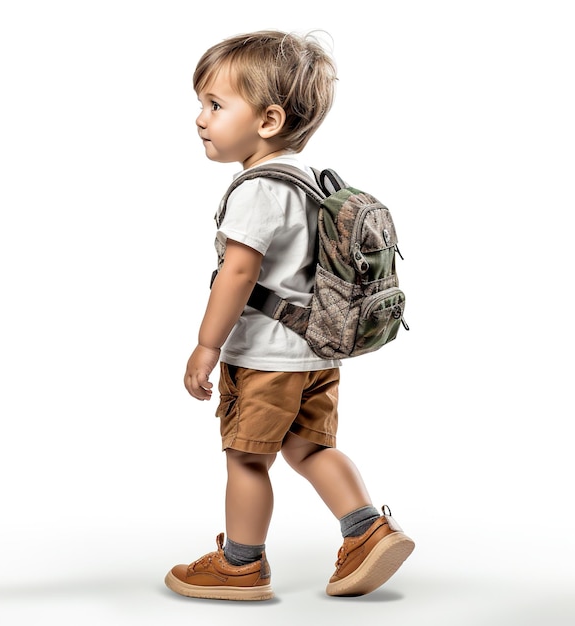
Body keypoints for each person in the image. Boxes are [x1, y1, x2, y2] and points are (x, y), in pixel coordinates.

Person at [164, 30, 414, 601]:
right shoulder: (312, 184)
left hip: (264, 359)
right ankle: (367, 529)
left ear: (269, 121)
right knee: (310, 448)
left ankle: (240, 565)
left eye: (215, 105)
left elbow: (238, 274)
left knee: (247, 459)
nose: (200, 118)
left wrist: (207, 346)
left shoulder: (256, 191)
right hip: (317, 353)